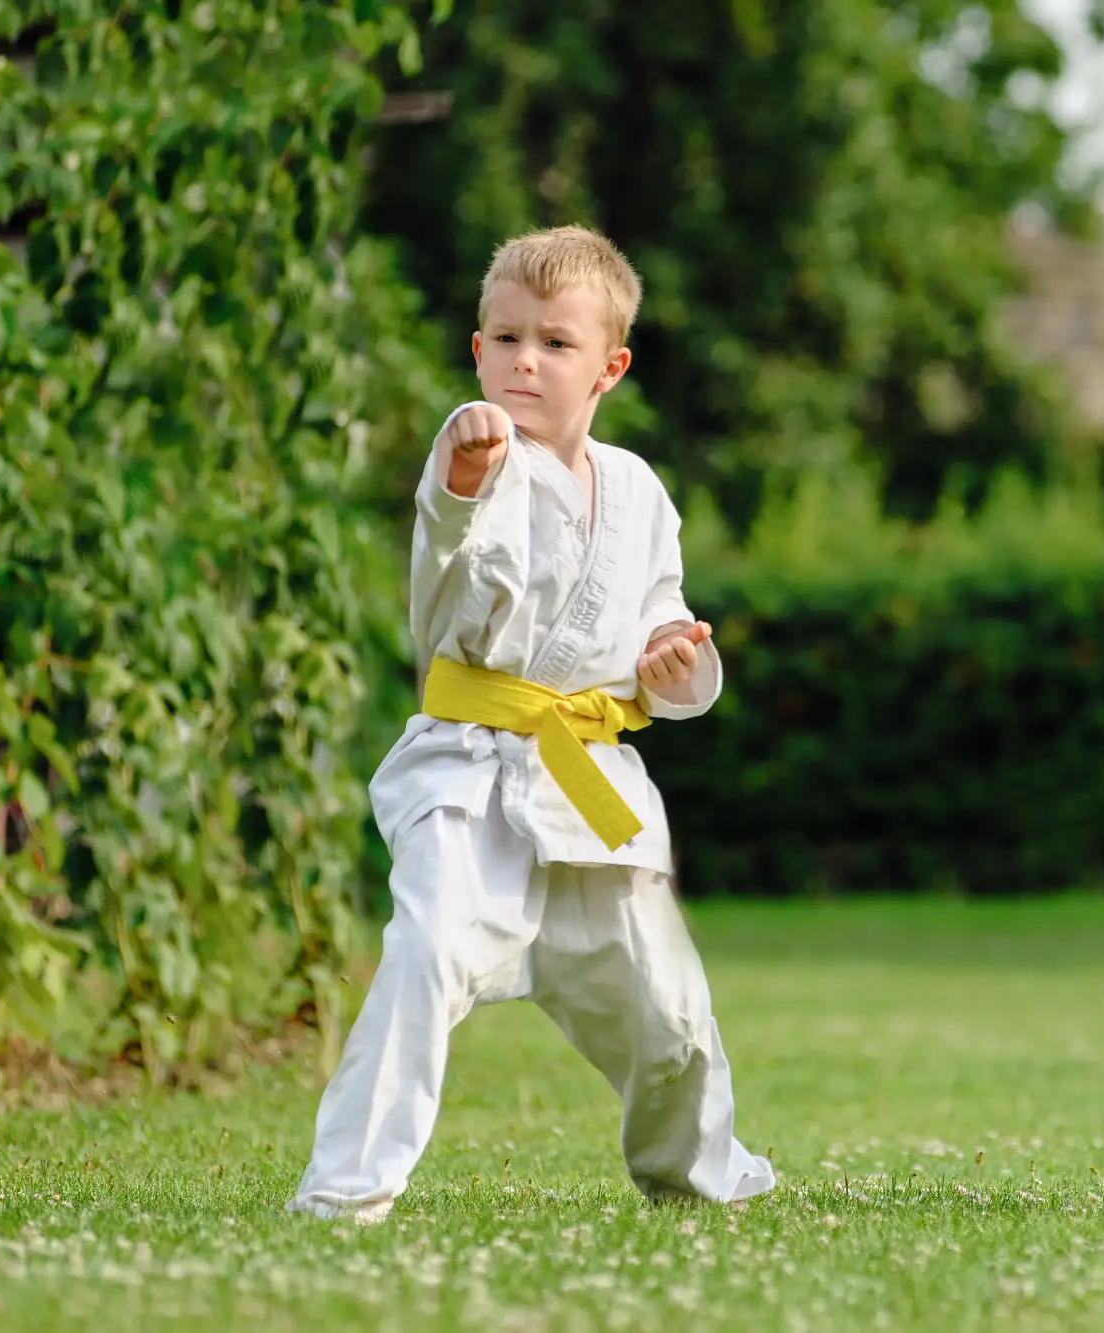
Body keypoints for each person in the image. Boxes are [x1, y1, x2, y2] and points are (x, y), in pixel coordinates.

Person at [289, 225, 774, 1222]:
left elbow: (658, 613)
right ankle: (346, 1191)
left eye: (555, 342)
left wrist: (668, 658)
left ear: (609, 366)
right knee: (424, 955)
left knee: (669, 1012)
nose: (524, 360)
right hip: (467, 775)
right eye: (505, 337)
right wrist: (460, 489)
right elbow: (446, 590)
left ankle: (696, 1169)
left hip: (586, 784)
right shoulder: (472, 453)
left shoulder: (636, 491)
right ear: (476, 350)